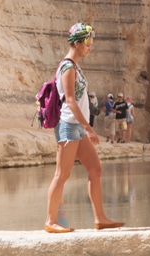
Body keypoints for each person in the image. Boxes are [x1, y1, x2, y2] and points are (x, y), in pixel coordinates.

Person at [43, 24, 123, 233]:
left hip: (77, 127)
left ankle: (100, 218)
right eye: (88, 44)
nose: (90, 47)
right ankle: (51, 221)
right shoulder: (68, 67)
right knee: (62, 174)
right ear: (77, 43)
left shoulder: (76, 67)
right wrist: (88, 128)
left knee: (95, 169)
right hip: (69, 126)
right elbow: (70, 101)